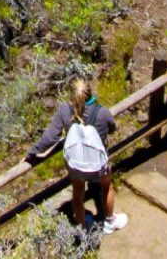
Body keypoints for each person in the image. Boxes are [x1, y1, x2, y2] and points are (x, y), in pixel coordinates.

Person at [27, 78, 129, 233]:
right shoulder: (103, 112)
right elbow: (112, 128)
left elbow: (50, 137)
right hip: (98, 165)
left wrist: (31, 153)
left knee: (78, 192)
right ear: (90, 93)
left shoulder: (64, 110)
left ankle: (84, 226)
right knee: (107, 187)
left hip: (76, 164)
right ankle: (109, 221)